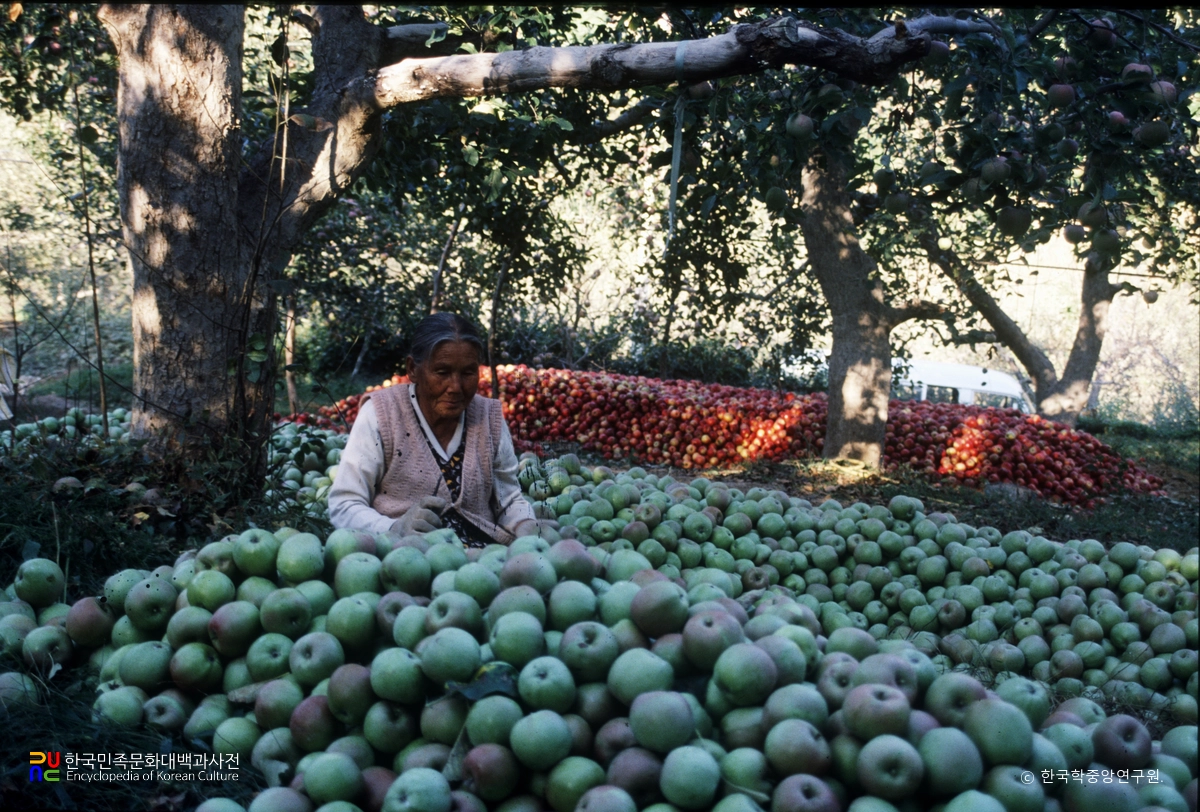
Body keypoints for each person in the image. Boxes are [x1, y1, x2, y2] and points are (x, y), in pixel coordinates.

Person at [328, 312, 542, 546]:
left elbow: (509, 500)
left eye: (468, 373)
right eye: (442, 372)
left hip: (483, 564)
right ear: (413, 369)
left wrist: (527, 527)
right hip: (406, 560)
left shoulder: (489, 418)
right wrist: (394, 527)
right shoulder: (381, 415)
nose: (455, 387)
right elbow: (344, 504)